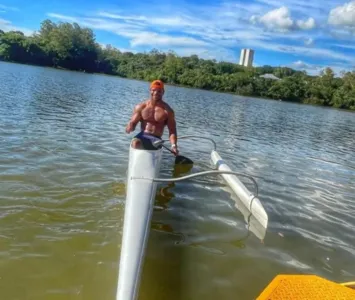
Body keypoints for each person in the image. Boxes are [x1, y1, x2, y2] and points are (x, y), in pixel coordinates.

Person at [125, 80, 179, 156]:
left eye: (159, 91)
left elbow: (172, 131)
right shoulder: (141, 107)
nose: (156, 93)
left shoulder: (168, 111)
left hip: (156, 139)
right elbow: (132, 124)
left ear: (163, 92)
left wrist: (174, 146)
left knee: (155, 145)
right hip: (143, 136)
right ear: (150, 91)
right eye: (154, 90)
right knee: (135, 142)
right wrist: (129, 127)